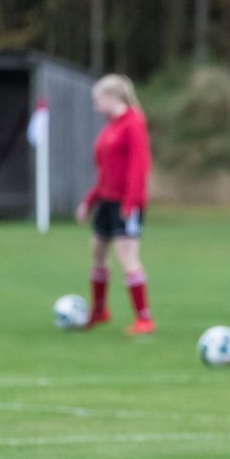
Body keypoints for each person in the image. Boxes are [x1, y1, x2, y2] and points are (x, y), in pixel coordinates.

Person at [75, 74, 155, 335]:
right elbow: (105, 172)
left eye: (98, 99)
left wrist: (131, 202)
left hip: (125, 203)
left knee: (126, 256)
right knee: (97, 252)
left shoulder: (133, 123)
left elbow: (138, 165)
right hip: (106, 201)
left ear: (113, 97)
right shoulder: (110, 126)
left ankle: (144, 318)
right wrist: (90, 199)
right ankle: (99, 310)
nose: (95, 105)